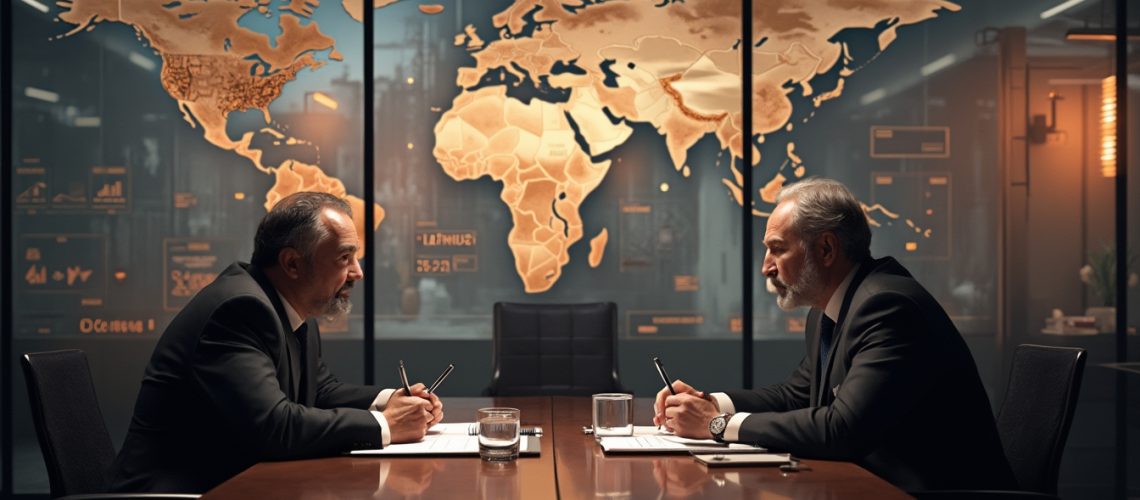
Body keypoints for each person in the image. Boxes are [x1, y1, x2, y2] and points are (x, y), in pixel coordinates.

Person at [654, 178, 1015, 492]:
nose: (766, 266)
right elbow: (795, 396)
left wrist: (715, 425)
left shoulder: (888, 307)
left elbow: (842, 429)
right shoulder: (831, 309)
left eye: (778, 249)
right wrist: (712, 403)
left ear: (826, 249)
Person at [110, 192, 443, 493]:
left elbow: (320, 391)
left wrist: (394, 400)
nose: (357, 272)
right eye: (344, 258)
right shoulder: (239, 310)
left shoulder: (290, 307)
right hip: (176, 493)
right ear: (292, 263)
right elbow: (273, 426)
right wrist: (385, 424)